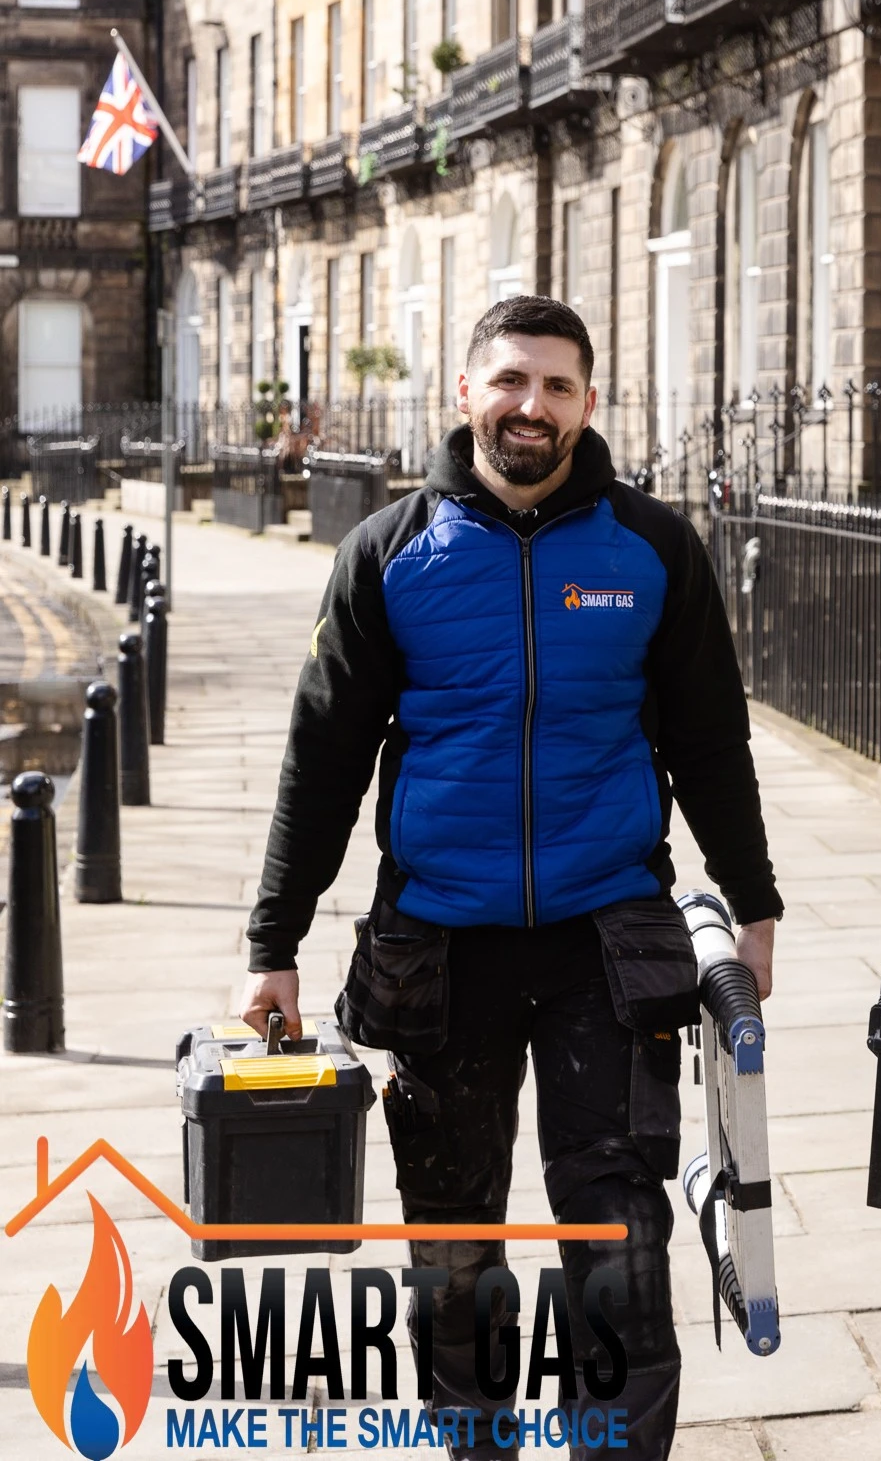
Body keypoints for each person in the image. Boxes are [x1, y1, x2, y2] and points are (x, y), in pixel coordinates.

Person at [239, 294, 782, 1461]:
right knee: (452, 1245)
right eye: (509, 380)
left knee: (619, 1243)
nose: (530, 405)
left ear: (590, 402)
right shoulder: (387, 554)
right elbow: (322, 756)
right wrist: (273, 942)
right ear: (464, 392)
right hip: (439, 948)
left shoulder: (652, 548)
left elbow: (708, 739)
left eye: (555, 385)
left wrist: (757, 903)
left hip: (609, 941)